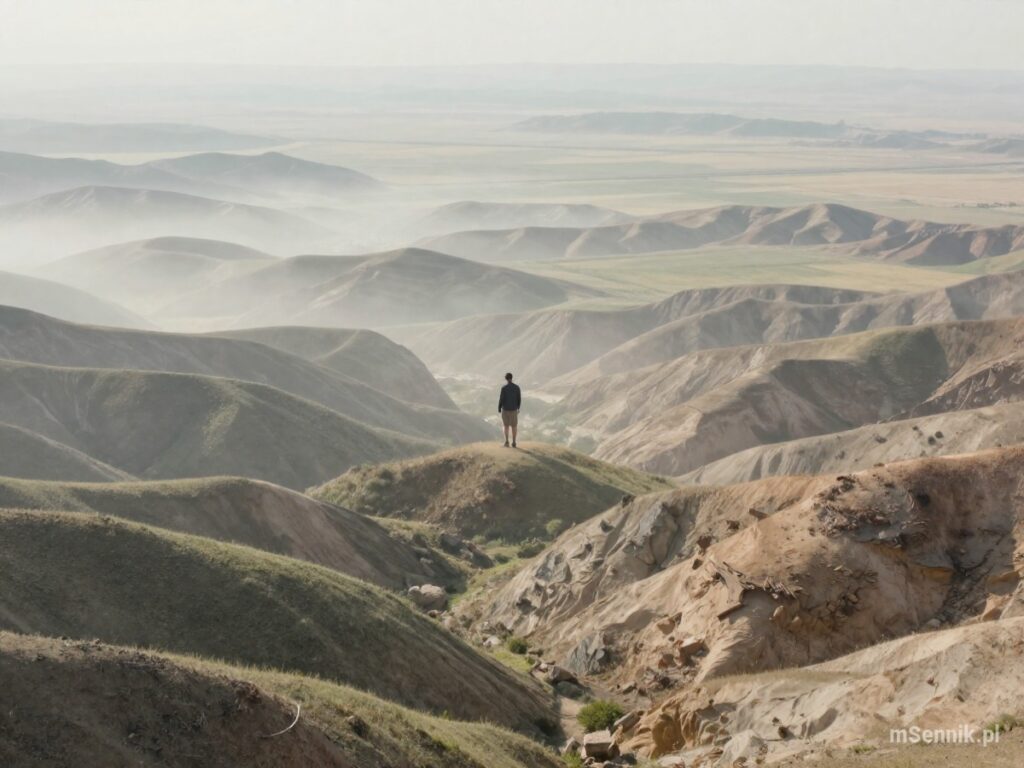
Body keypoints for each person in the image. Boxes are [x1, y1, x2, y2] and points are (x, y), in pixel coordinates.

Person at [498, 372, 521, 448]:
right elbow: (519, 399)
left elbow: (501, 399)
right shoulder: (517, 387)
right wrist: (518, 407)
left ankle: (507, 441)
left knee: (506, 426)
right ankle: (514, 442)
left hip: (505, 409)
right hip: (514, 409)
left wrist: (499, 407)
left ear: (506, 379)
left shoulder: (504, 388)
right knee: (514, 426)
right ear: (512, 377)